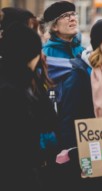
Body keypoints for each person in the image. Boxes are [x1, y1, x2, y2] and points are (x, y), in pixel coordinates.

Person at [52, 19, 102, 190]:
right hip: (87, 156)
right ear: (98, 44)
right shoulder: (79, 73)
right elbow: (68, 117)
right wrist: (77, 155)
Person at [0, 23, 58, 191]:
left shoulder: (16, 82)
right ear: (31, 54)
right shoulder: (14, 91)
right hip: (19, 176)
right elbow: (48, 121)